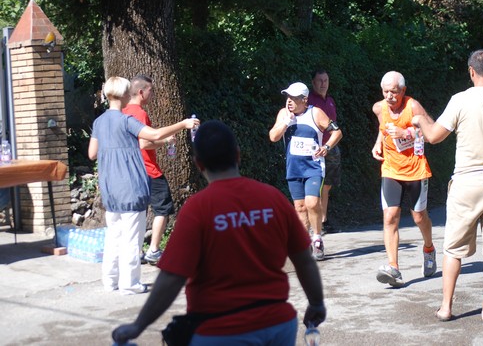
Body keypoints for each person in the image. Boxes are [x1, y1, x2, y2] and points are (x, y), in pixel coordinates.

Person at [112, 120, 326, 345]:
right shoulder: (273, 198)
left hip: (220, 330)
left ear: (198, 164)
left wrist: (139, 326)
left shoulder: (197, 209)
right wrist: (316, 303)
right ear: (238, 155)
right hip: (277, 325)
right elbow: (304, 260)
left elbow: (172, 277)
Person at [412, 49, 483, 324]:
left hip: (466, 181)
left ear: (471, 72)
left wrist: (420, 118)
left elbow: (433, 136)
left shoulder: (459, 101)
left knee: (453, 248)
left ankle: (445, 307)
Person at [88, 76, 199, 295]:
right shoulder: (126, 121)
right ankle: (130, 284)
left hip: (110, 187)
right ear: (126, 94)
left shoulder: (99, 122)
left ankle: (110, 281)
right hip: (130, 186)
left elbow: (92, 154)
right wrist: (183, 124)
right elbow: (154, 135)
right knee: (132, 238)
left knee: (113, 236)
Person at [371, 71, 437, 288]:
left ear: (403, 91)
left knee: (418, 217)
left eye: (394, 92)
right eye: (386, 91)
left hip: (415, 170)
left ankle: (428, 248)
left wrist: (407, 134)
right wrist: (378, 142)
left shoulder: (413, 107)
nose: (390, 96)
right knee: (390, 215)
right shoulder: (379, 108)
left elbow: (433, 132)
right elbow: (384, 128)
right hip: (391, 169)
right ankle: (394, 268)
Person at [269, 82, 343, 261]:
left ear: (304, 99)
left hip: (314, 168)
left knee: (311, 203)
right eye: (288, 97)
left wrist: (326, 147)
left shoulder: (315, 113)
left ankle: (317, 238)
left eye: (294, 98)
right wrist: (286, 122)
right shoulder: (283, 114)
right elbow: (273, 137)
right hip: (294, 168)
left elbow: (337, 132)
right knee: (300, 207)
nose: (289, 102)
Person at [123, 74, 177, 264]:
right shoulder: (140, 113)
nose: (152, 94)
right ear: (141, 92)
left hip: (132, 171)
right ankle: (153, 250)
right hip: (149, 169)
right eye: (150, 90)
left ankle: (135, 251)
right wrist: (164, 141)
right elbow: (145, 144)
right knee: (162, 208)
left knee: (138, 212)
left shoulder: (122, 112)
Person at [308, 69, 342, 234]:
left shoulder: (330, 100)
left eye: (326, 80)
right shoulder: (308, 102)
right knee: (315, 185)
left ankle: (323, 220)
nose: (323, 84)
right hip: (315, 149)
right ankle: (313, 224)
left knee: (327, 186)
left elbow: (334, 125)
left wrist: (331, 145)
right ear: (313, 83)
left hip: (331, 147)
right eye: (320, 80)